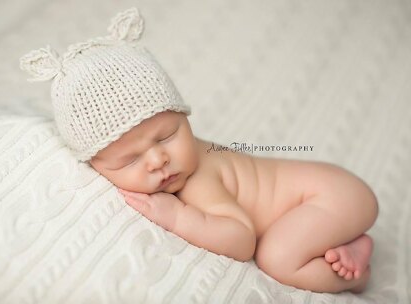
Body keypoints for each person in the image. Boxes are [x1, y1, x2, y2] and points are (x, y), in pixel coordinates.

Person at [20, 7, 378, 293]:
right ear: (96, 166)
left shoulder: (198, 176)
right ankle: (345, 241)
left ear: (184, 118)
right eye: (129, 159)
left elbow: (241, 240)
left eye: (167, 136)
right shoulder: (166, 164)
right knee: (285, 246)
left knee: (278, 257)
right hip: (322, 199)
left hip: (331, 195)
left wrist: (178, 218)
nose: (158, 159)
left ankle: (357, 277)